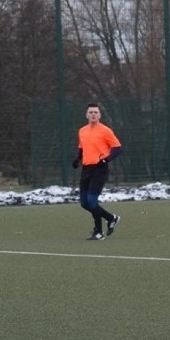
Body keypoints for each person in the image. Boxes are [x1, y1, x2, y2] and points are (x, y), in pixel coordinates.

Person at [71, 102, 122, 240]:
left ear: (99, 115)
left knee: (92, 201)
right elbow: (82, 148)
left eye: (96, 112)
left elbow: (117, 148)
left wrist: (106, 159)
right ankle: (111, 218)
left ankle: (98, 232)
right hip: (86, 169)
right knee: (84, 203)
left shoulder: (105, 130)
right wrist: (77, 159)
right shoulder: (82, 131)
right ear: (87, 115)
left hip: (99, 168)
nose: (93, 114)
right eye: (91, 112)